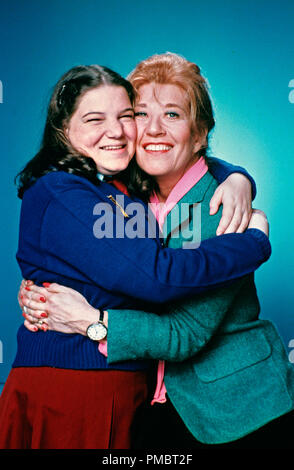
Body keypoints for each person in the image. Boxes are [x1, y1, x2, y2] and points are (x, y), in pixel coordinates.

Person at [18, 54, 294, 449]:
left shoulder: (221, 206)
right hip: (153, 407)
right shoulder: (121, 198)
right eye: (140, 114)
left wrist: (92, 321)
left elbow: (184, 332)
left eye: (172, 115)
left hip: (240, 409)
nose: (153, 130)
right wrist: (41, 290)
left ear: (199, 135)